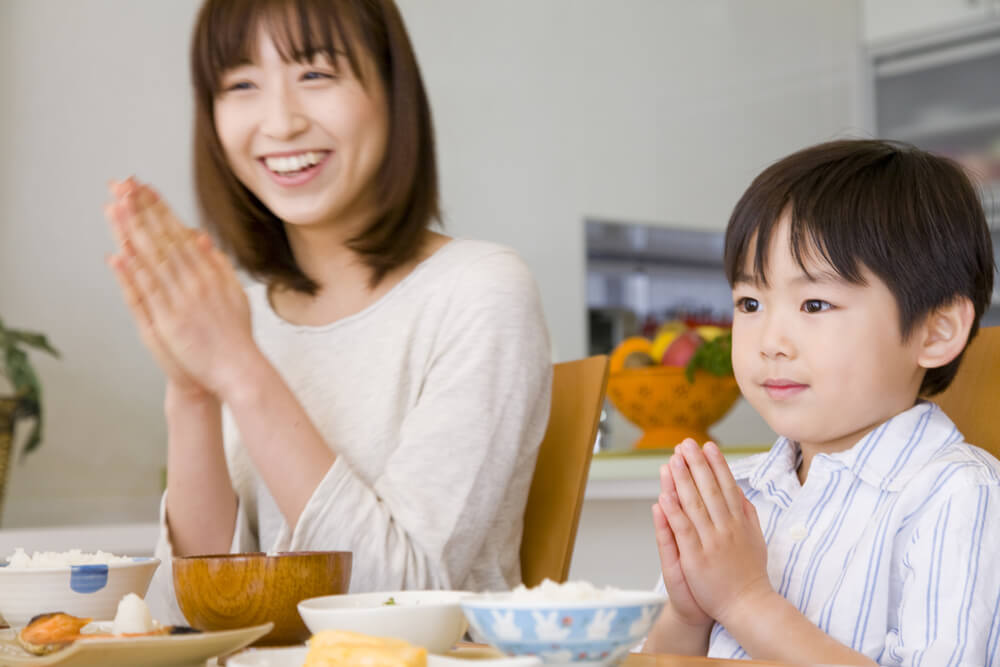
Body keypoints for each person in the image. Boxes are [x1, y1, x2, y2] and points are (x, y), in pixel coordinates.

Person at [103, 0, 552, 623]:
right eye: (241, 85)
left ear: (392, 92)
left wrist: (240, 370)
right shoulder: (242, 317)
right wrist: (191, 390)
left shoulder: (479, 291)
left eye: (315, 74)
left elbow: (398, 599)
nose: (280, 122)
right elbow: (189, 616)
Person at [643, 139, 999, 665]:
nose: (770, 341)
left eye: (814, 303)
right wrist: (688, 614)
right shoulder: (736, 493)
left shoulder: (957, 494)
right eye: (750, 302)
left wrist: (744, 600)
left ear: (935, 331)